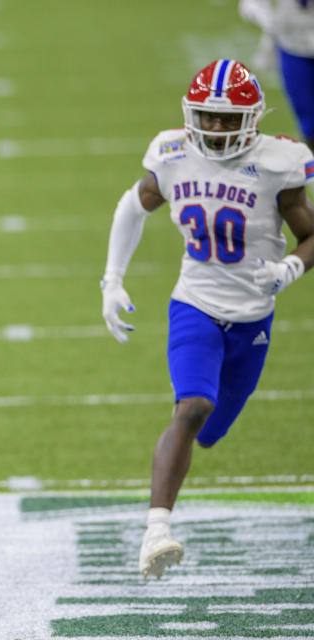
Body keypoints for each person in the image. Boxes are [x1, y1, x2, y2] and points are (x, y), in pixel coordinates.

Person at [100, 59, 314, 580]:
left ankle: (164, 507)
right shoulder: (173, 155)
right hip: (194, 301)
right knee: (192, 407)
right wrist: (112, 279)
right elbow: (133, 205)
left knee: (211, 430)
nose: (216, 127)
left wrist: (290, 267)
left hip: (253, 318)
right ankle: (155, 531)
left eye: (226, 118)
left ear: (252, 118)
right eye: (207, 116)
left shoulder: (277, 164)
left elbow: (310, 235)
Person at [240, 0, 314, 151]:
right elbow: (250, 6)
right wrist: (266, 18)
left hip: (293, 41)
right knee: (309, 124)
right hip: (294, 45)